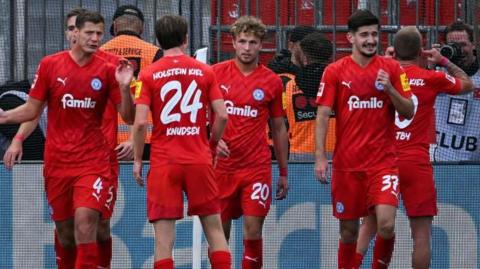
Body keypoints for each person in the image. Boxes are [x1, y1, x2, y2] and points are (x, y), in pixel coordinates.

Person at [0, 11, 134, 268]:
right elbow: (32, 109)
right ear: (74, 34)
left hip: (95, 162)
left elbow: (127, 116)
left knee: (88, 222)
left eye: (99, 33)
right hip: (58, 163)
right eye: (89, 33)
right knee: (66, 232)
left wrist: (125, 88)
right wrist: (6, 119)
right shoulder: (50, 65)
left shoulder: (110, 68)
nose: (95, 38)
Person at [355, 26, 473, 269]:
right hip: (416, 160)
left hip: (383, 160)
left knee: (369, 225)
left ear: (394, 50)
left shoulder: (379, 76)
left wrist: (385, 61)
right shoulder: (432, 78)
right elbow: (467, 84)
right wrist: (443, 60)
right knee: (420, 234)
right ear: (421, 51)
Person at [314, 9, 414, 269]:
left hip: (383, 164)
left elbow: (409, 111)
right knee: (348, 232)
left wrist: (390, 89)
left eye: (374, 34)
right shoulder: (335, 71)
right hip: (348, 166)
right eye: (364, 35)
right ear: (350, 38)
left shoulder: (392, 68)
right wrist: (320, 157)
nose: (370, 40)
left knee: (387, 224)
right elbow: (323, 114)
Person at [132, 15, 231, 269]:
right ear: (186, 40)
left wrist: (137, 159)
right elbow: (221, 114)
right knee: (215, 231)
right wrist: (211, 143)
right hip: (198, 158)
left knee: (164, 241)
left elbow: (141, 122)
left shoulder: (148, 73)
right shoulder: (204, 71)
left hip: (165, 161)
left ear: (157, 41)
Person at [212, 15, 289, 269]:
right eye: (242, 41)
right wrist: (208, 139)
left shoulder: (272, 81)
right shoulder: (214, 75)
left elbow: (278, 128)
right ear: (233, 42)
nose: (247, 48)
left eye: (253, 42)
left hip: (255, 168)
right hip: (220, 168)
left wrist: (283, 172)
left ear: (261, 45)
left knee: (253, 232)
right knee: (219, 236)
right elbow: (199, 115)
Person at [102, 4, 163, 160]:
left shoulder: (99, 53)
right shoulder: (155, 53)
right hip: (146, 138)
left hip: (107, 136)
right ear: (141, 28)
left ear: (115, 25)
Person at [434, 21, 480, 161]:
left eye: (463, 45)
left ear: (473, 45)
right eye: (454, 46)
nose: (459, 51)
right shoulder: (435, 75)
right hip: (439, 162)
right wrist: (427, 65)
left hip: (475, 164)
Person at [286, 32, 333, 161]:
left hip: (300, 155)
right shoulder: (340, 83)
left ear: (305, 57)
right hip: (336, 152)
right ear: (330, 56)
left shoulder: (289, 86)